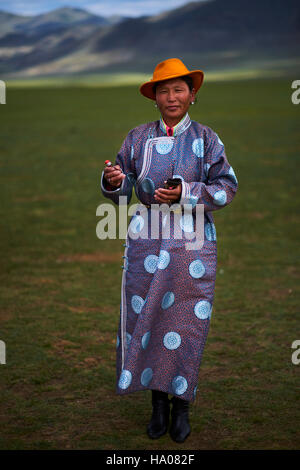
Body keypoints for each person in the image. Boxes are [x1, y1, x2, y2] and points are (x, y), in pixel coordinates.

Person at [100, 58, 238, 443]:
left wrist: (186, 192)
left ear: (192, 95)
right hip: (145, 244)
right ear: (154, 97)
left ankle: (182, 407)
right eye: (164, 90)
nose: (171, 97)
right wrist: (114, 180)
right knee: (149, 322)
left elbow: (226, 187)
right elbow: (121, 186)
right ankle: (157, 407)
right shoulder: (136, 138)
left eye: (179, 89)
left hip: (192, 249)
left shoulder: (208, 139)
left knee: (184, 325)